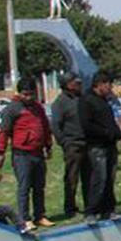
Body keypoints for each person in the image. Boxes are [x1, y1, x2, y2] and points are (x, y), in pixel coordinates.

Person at [0, 77, 53, 233]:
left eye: (31, 94)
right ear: (19, 93)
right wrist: (0, 152)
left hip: (38, 153)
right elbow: (4, 132)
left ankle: (40, 215)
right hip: (22, 154)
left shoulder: (38, 108)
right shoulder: (12, 109)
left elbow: (45, 127)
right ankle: (25, 218)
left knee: (39, 186)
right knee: (24, 187)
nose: (29, 98)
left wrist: (48, 146)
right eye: (25, 94)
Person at [79, 71, 121, 225]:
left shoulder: (104, 101)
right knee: (99, 178)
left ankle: (108, 209)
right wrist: (105, 132)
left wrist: (116, 132)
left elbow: (110, 121)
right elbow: (87, 124)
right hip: (97, 146)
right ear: (100, 84)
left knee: (109, 178)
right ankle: (91, 211)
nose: (110, 88)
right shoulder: (87, 101)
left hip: (109, 145)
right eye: (108, 84)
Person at [50, 73, 90, 218]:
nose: (79, 84)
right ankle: (70, 208)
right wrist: (65, 142)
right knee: (72, 177)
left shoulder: (82, 99)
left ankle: (90, 205)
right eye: (75, 82)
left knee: (89, 176)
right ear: (67, 85)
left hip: (87, 143)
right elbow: (55, 126)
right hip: (73, 145)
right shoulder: (60, 103)